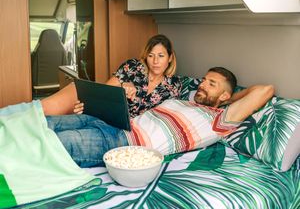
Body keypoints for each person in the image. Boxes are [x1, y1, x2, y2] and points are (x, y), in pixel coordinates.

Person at [44, 67, 275, 167]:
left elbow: (266, 90)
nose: (202, 85)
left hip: (125, 144)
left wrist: (230, 98)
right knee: (44, 124)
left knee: (52, 146)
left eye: (211, 84)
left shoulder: (219, 120)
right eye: (204, 80)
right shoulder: (182, 100)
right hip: (113, 122)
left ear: (225, 94)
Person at [73, 33, 182, 118]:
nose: (155, 61)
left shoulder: (174, 86)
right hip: (107, 117)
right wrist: (122, 86)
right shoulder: (132, 67)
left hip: (134, 134)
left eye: (161, 56)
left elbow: (166, 118)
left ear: (170, 58)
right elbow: (103, 93)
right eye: (151, 55)